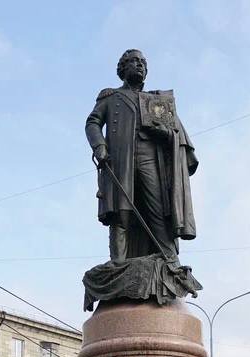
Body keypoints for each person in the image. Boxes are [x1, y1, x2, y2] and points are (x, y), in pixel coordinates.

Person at [85, 48, 198, 262]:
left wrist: (165, 132)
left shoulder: (157, 100)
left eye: (143, 63)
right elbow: (93, 122)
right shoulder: (111, 96)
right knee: (121, 213)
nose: (139, 65)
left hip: (150, 159)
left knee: (158, 209)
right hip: (120, 160)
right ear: (122, 68)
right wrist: (100, 146)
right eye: (134, 61)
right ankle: (118, 264)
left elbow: (175, 133)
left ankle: (169, 260)